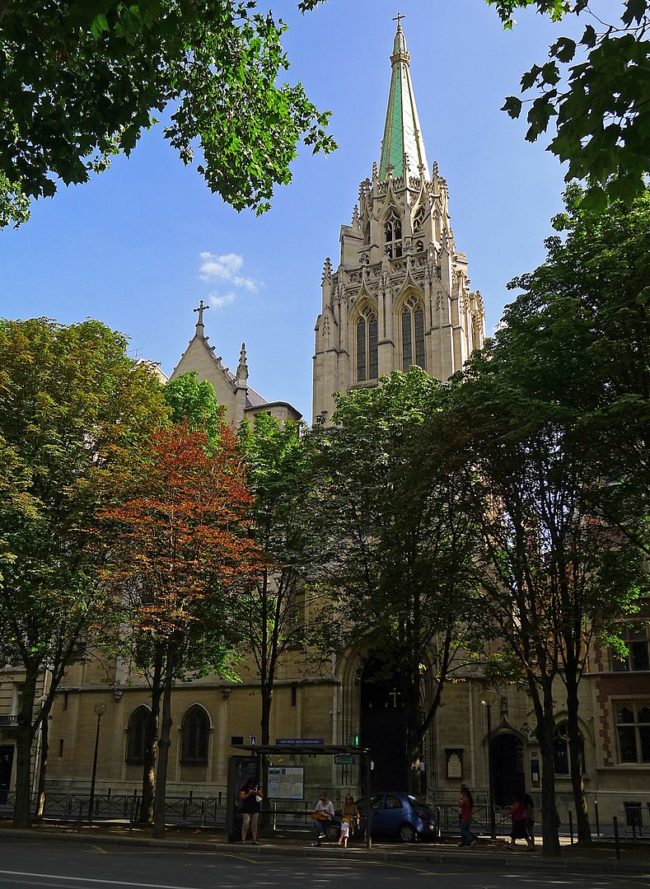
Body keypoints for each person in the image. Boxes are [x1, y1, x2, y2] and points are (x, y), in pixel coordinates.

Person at [239, 778, 263, 844]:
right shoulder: (244, 788)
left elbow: (261, 796)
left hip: (255, 808)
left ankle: (254, 840)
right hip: (246, 808)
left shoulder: (257, 788)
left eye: (252, 784)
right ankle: (243, 840)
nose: (251, 785)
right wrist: (249, 793)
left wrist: (257, 792)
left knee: (254, 825)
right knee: (246, 825)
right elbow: (242, 797)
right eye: (250, 784)